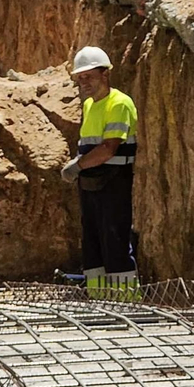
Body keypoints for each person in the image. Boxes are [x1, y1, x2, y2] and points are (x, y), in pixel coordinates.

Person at [59, 47, 139, 297]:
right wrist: (80, 165)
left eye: (89, 76)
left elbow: (109, 148)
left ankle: (125, 300)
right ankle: (99, 297)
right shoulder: (91, 106)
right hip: (92, 182)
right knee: (92, 242)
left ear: (105, 74)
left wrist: (78, 165)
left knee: (114, 239)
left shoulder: (119, 103)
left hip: (114, 183)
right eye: (80, 78)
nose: (84, 83)